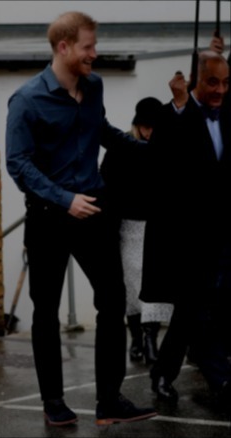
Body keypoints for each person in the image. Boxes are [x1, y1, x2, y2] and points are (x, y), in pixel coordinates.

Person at [5, 11, 157, 426]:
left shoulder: (94, 87)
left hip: (94, 209)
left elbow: (101, 131)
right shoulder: (27, 99)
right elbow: (18, 165)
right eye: (88, 46)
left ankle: (110, 401)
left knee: (113, 302)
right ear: (64, 47)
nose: (95, 53)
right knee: (46, 311)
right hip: (50, 215)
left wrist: (150, 149)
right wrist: (63, 198)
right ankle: (54, 403)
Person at [141, 50, 230, 405]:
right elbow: (161, 159)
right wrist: (180, 105)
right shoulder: (173, 116)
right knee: (194, 310)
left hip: (224, 236)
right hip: (188, 240)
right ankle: (218, 377)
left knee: (204, 312)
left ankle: (165, 372)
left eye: (226, 82)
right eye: (212, 81)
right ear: (195, 80)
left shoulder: (226, 113)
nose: (220, 90)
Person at [99, 97, 173, 365]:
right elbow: (105, 184)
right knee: (131, 286)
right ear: (137, 125)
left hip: (158, 228)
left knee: (154, 285)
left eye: (152, 127)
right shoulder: (122, 148)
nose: (148, 132)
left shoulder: (165, 150)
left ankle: (151, 339)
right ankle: (137, 340)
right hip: (128, 228)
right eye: (144, 126)